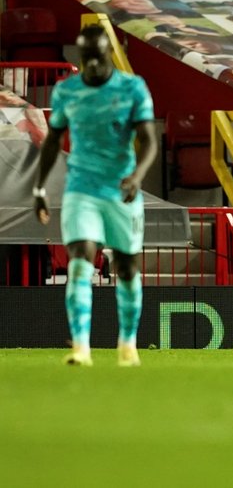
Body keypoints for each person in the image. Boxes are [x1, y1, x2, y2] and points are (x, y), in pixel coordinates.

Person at [33, 25, 158, 367]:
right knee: (79, 259)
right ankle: (81, 348)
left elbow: (149, 139)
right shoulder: (66, 91)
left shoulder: (132, 88)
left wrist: (137, 175)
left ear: (108, 54)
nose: (90, 64)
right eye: (84, 57)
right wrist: (39, 188)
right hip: (81, 189)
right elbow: (53, 139)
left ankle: (128, 345)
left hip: (121, 189)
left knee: (127, 267)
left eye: (97, 57)